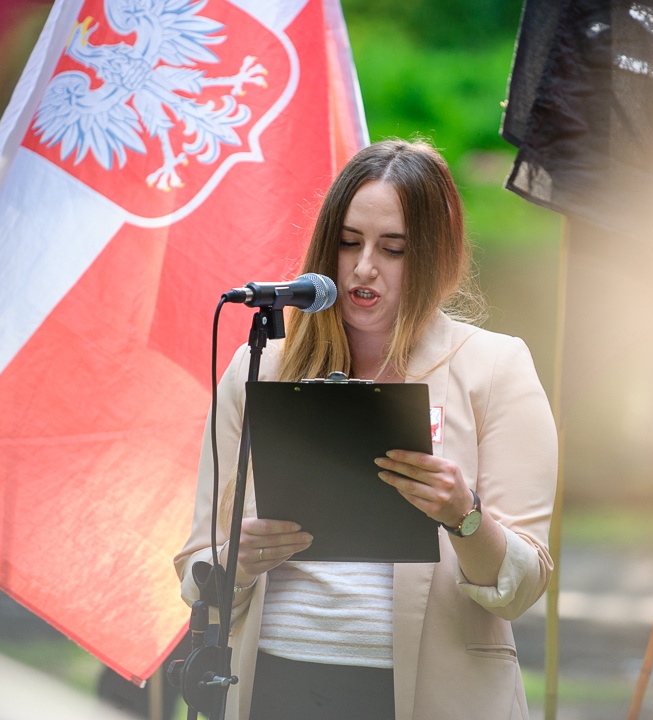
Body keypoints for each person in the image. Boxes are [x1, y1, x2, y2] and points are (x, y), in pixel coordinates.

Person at [173, 139, 558, 719]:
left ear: (435, 255)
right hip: (274, 684)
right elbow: (196, 568)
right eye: (349, 242)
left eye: (393, 248)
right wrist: (237, 560)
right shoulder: (261, 366)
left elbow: (521, 587)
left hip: (431, 697)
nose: (364, 267)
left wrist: (465, 516)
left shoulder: (495, 367)